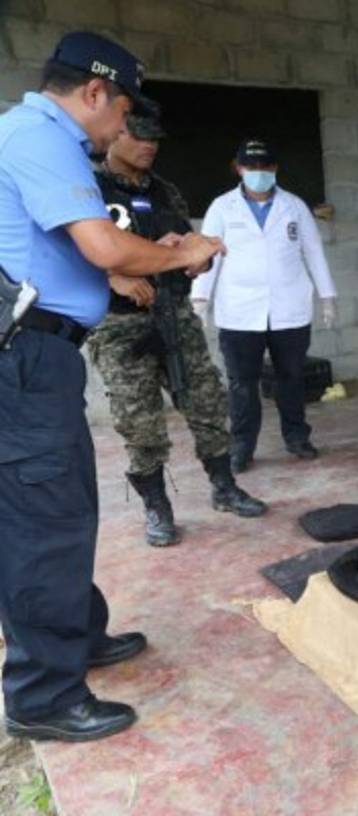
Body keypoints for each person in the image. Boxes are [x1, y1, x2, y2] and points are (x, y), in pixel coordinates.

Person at [0, 32, 224, 741]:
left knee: (65, 506)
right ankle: (41, 695)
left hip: (42, 354)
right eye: (122, 109)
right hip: (27, 357)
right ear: (94, 93)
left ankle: (77, 635)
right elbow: (98, 242)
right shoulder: (39, 136)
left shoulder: (39, 138)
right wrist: (181, 251)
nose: (124, 126)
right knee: (44, 520)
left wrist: (126, 268)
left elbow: (55, 249)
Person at [89, 105, 266, 547]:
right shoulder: (88, 190)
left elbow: (184, 249)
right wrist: (113, 276)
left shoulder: (167, 193)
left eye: (155, 137)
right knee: (140, 423)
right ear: (116, 134)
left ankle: (224, 488)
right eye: (140, 135)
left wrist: (196, 260)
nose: (150, 144)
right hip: (120, 326)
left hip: (175, 315)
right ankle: (157, 508)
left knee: (207, 403)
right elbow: (67, 256)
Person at [191, 138, 338, 473]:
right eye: (251, 166)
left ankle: (297, 437)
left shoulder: (295, 206)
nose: (259, 172)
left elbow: (313, 252)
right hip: (239, 310)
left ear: (275, 168)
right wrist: (200, 298)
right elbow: (205, 253)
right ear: (239, 168)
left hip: (289, 308)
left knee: (292, 377)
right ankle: (242, 446)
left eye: (265, 166)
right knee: (242, 383)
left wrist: (327, 295)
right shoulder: (222, 207)